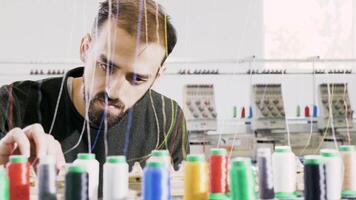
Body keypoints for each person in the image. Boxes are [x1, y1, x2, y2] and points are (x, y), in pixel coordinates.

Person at [0, 0, 188, 179]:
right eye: (106, 66)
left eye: (137, 78)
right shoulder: (11, 105)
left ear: (158, 76)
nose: (112, 91)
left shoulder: (168, 119)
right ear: (85, 48)